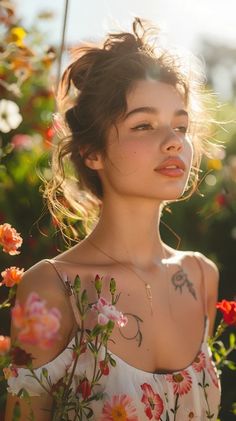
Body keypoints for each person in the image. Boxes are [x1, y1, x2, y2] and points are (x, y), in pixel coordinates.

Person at [5, 17, 221, 421]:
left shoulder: (201, 276)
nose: (175, 140)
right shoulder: (50, 289)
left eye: (181, 125)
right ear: (92, 153)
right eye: (144, 124)